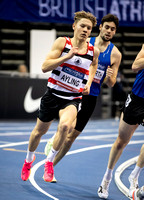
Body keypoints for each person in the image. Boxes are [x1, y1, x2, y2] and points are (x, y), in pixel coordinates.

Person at [21, 10, 99, 182]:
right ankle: (28, 160)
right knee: (38, 132)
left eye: (89, 28)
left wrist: (88, 82)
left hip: (72, 98)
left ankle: (49, 163)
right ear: (74, 26)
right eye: (82, 26)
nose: (86, 30)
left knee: (65, 127)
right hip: (53, 94)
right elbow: (44, 66)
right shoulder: (63, 43)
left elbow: (93, 65)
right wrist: (67, 57)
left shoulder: (93, 50)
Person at [44, 13, 122, 181]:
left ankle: (52, 167)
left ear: (115, 32)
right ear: (100, 27)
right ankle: (56, 140)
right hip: (74, 91)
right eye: (106, 27)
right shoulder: (87, 42)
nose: (109, 31)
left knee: (72, 137)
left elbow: (111, 83)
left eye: (113, 29)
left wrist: (109, 77)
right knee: (67, 127)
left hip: (91, 95)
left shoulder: (115, 54)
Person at [97, 44, 144, 199]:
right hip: (138, 98)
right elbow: (135, 66)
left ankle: (134, 175)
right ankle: (106, 179)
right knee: (121, 141)